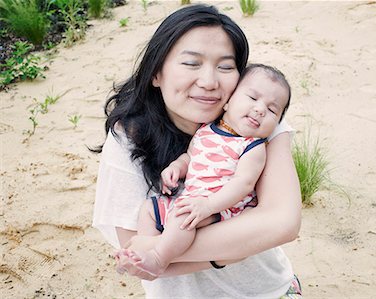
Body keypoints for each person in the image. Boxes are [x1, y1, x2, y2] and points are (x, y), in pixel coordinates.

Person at [93, 4, 302, 298]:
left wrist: (161, 254)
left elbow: (283, 223)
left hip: (267, 291)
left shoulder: (258, 123)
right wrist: (237, 246)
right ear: (156, 73)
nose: (208, 82)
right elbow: (131, 244)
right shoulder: (128, 137)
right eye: (191, 63)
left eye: (226, 67)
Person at [124, 64, 292, 277]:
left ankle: (158, 258)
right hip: (194, 199)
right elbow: (191, 157)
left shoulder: (252, 146)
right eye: (252, 98)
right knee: (150, 208)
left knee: (182, 218)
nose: (260, 109)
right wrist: (176, 168)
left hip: (223, 208)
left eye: (272, 110)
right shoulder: (207, 129)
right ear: (228, 101)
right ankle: (143, 256)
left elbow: (244, 183)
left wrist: (208, 205)